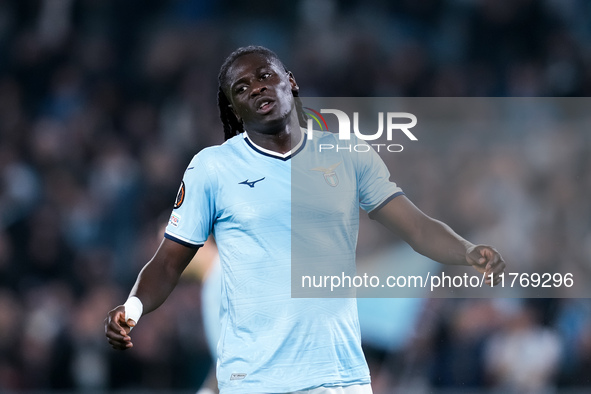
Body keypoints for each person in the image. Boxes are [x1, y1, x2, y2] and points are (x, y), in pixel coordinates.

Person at [105, 46, 505, 394]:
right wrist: (133, 309)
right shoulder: (212, 168)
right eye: (241, 88)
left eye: (265, 76)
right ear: (232, 106)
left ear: (290, 82)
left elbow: (416, 227)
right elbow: (169, 262)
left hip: (340, 376)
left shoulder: (348, 154)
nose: (256, 87)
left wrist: (467, 251)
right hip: (255, 381)